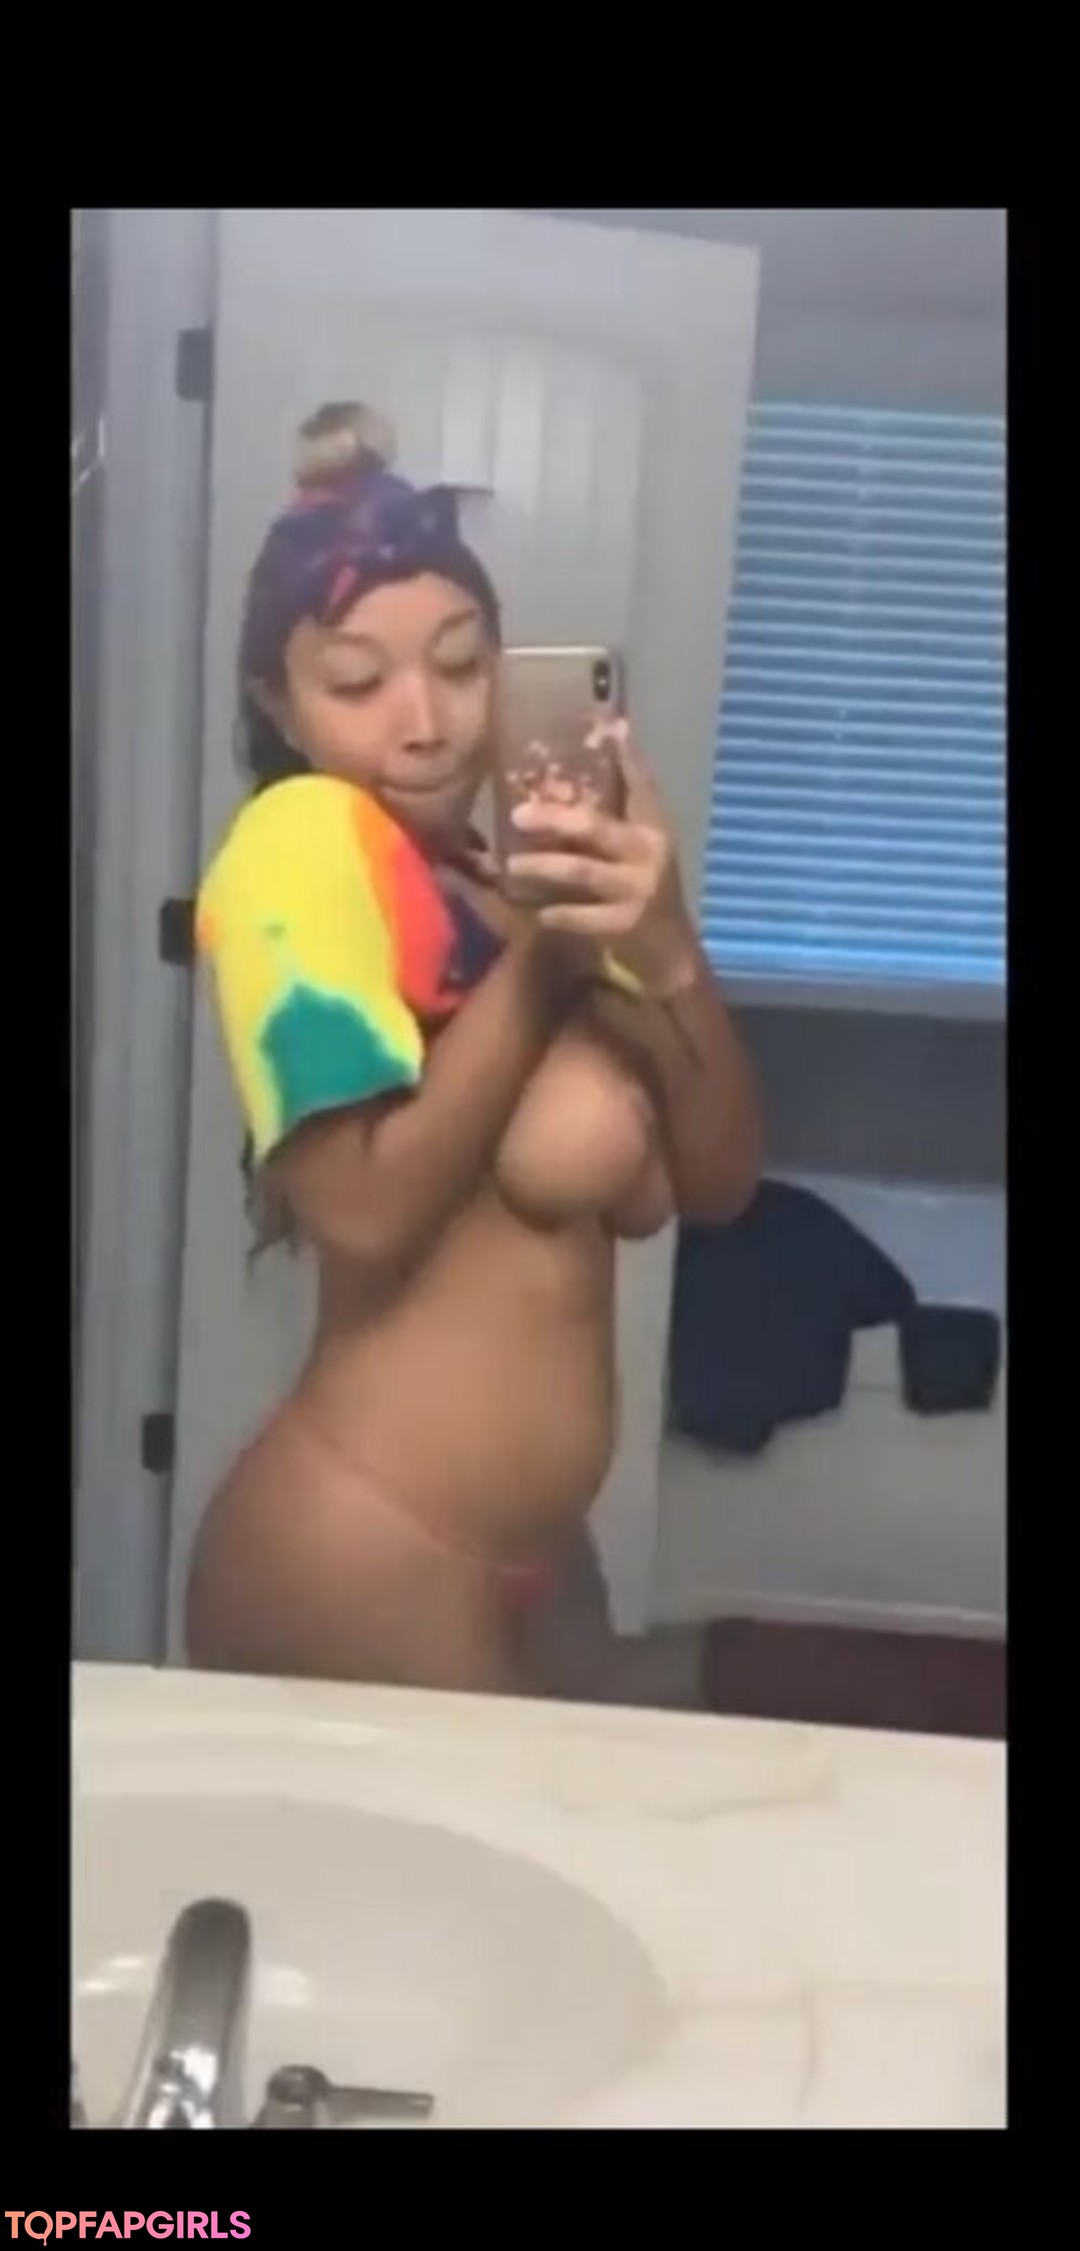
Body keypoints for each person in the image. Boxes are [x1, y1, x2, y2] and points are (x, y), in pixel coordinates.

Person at [186, 402, 762, 1696]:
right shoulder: (302, 847)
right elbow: (365, 1210)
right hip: (368, 1546)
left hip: (539, 1556)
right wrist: (551, 962)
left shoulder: (506, 892)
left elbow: (718, 1182)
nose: (426, 721)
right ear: (281, 702)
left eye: (461, 665)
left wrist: (667, 945)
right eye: (358, 681)